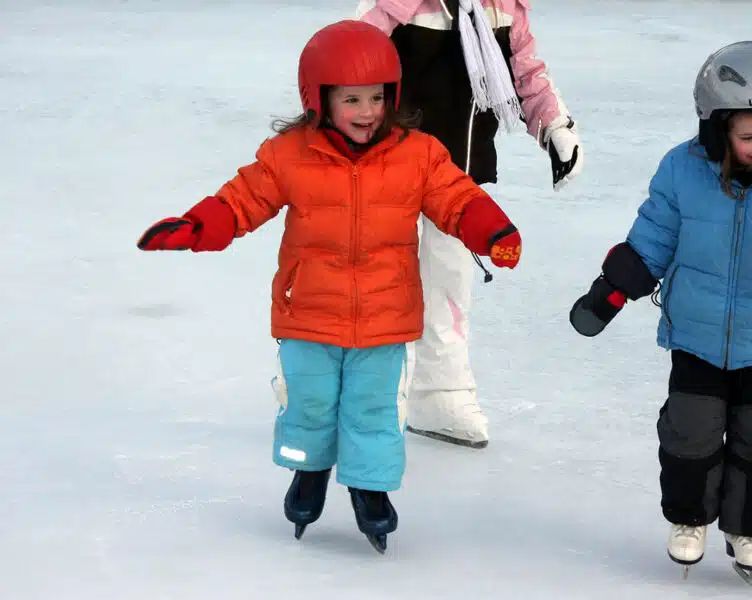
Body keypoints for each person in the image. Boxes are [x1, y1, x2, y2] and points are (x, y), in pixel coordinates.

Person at [136, 20, 522, 553]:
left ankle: (369, 488)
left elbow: (457, 198)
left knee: (373, 409)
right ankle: (309, 471)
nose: (367, 112)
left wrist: (493, 230)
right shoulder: (289, 155)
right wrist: (198, 227)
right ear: (318, 100)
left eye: (376, 98)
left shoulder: (419, 154)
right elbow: (242, 200)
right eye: (351, 100)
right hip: (308, 315)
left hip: (385, 320)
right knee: (310, 405)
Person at [569, 41, 752, 583]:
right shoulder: (682, 170)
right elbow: (652, 239)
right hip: (696, 337)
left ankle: (750, 529)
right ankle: (689, 518)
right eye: (748, 136)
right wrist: (609, 293)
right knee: (690, 434)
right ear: (716, 128)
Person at [355, 0, 583, 448]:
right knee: (376, 279)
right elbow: (345, 66)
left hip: (457, 176)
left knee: (450, 283)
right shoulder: (393, 6)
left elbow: (525, 70)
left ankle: (440, 392)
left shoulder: (499, 7)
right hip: (388, 173)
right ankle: (346, 389)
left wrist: (555, 126)